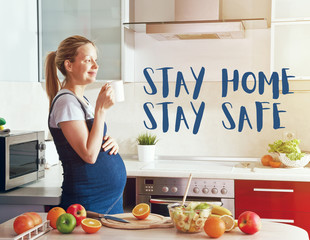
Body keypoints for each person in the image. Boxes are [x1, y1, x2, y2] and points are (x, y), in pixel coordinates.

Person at [45, 35, 127, 214]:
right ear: (69, 65)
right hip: (88, 203)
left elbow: (93, 144)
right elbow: (89, 155)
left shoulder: (80, 100)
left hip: (104, 202)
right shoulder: (66, 102)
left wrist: (109, 144)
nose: (96, 66)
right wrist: (101, 110)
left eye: (95, 61)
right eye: (88, 60)